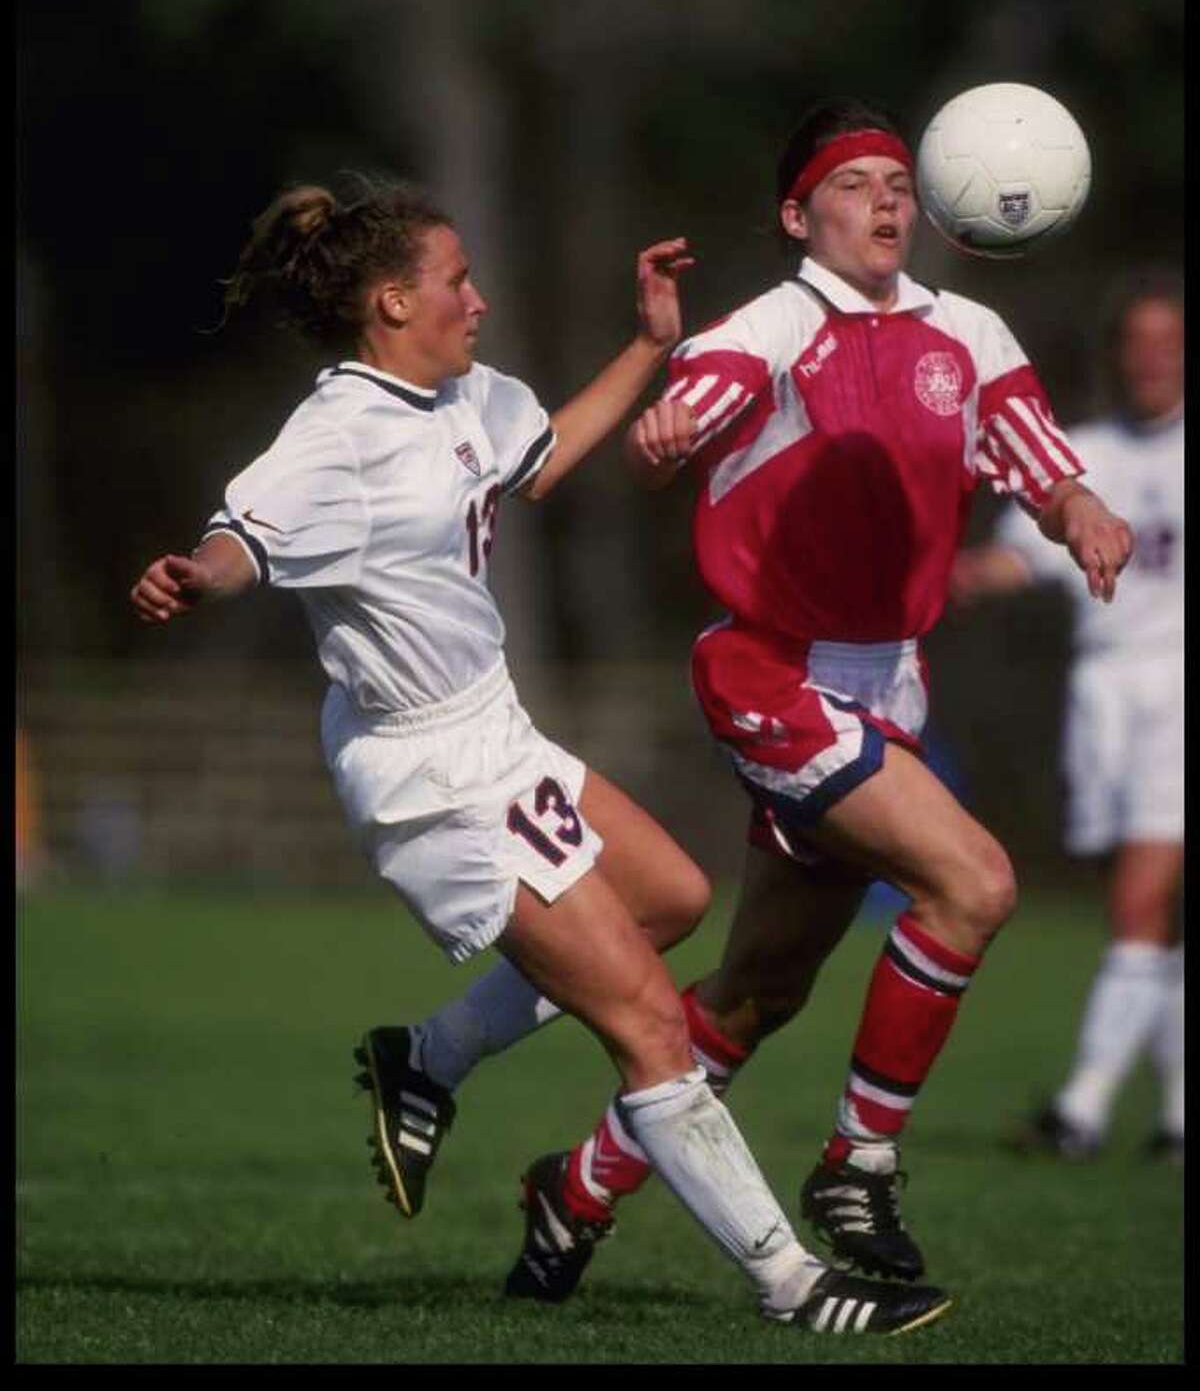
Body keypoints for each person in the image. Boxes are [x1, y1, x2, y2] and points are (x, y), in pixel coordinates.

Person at [130, 172, 952, 1338]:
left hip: (495, 730)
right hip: (427, 775)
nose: (478, 298)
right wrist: (192, 573)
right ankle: (794, 1283)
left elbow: (542, 455)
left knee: (671, 894)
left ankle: (428, 1056)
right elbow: (241, 537)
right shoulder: (339, 433)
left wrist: (647, 345)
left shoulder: (460, 394)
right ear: (389, 303)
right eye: (456, 280)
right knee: (648, 1022)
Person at [379, 101, 1133, 1300]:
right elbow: (700, 398)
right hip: (770, 673)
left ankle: (573, 1190)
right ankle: (859, 1161)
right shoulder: (777, 324)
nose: (886, 199)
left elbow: (1035, 456)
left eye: (898, 181)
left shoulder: (972, 334)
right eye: (855, 184)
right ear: (799, 215)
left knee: (758, 988)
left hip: (888, 683)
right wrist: (667, 430)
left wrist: (1079, 509)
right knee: (976, 882)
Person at [949, 275, 1183, 1163]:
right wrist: (954, 580)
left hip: (1179, 692)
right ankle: (1176, 1120)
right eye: (1142, 340)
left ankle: (1081, 1109)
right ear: (1122, 355)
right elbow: (1019, 559)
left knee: (1142, 899)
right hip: (1106, 697)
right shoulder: (1083, 455)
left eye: (1172, 339)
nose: (1156, 356)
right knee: (1149, 913)